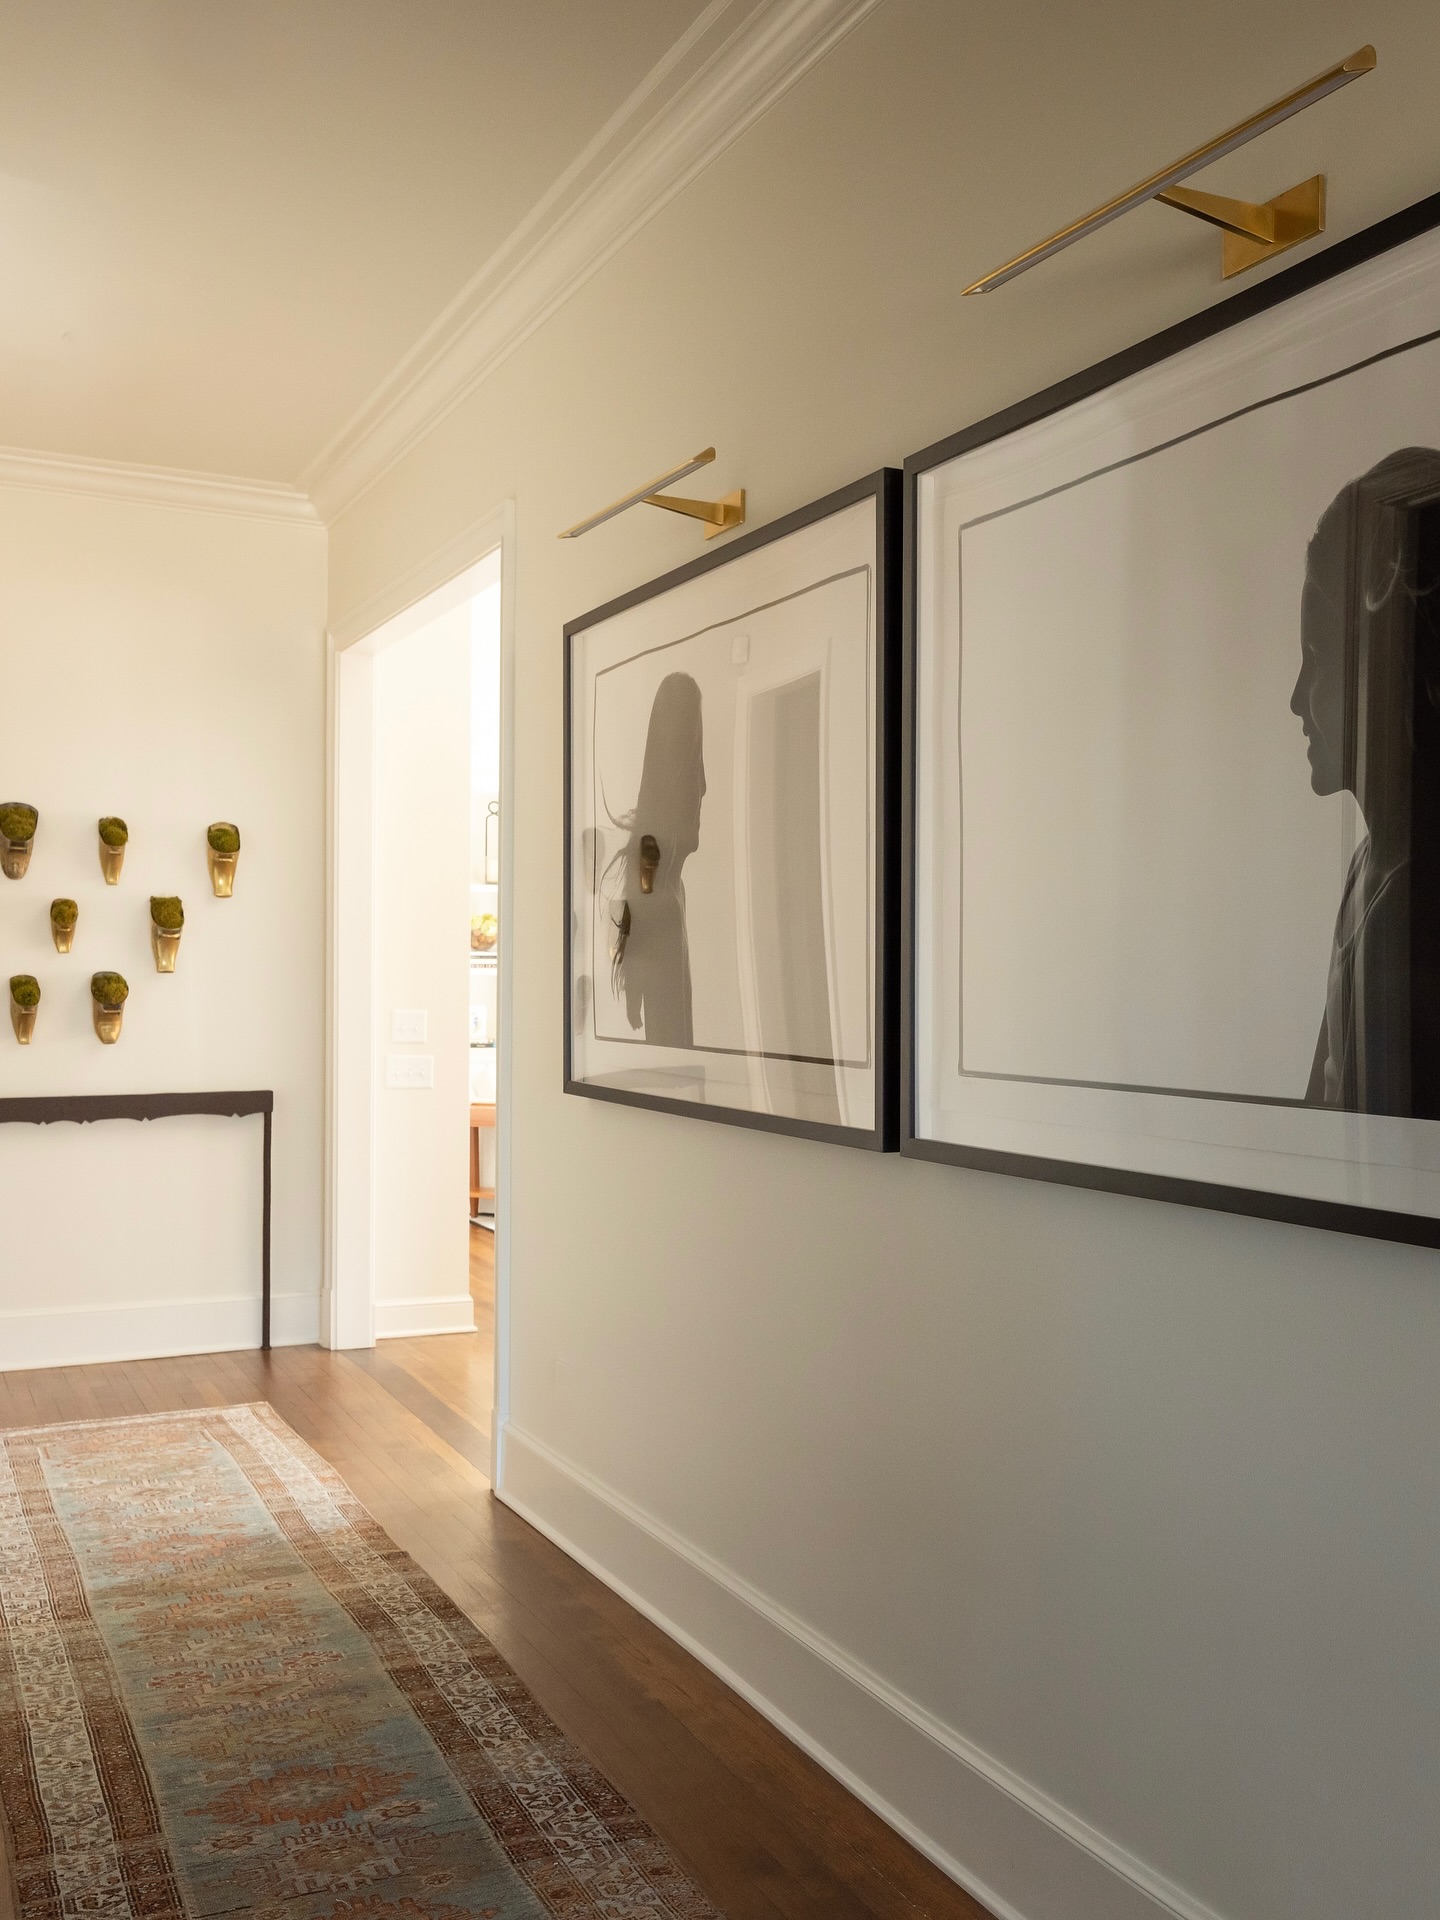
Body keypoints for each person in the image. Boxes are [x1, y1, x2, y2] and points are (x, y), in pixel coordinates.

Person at [1292, 447, 1440, 1116]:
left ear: (1384, 666)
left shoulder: (1418, 899)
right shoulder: (1366, 868)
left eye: (1316, 659)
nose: (1296, 699)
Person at [607, 672, 706, 1046]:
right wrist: (635, 989)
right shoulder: (658, 887)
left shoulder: (667, 887)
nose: (704, 784)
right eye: (694, 749)